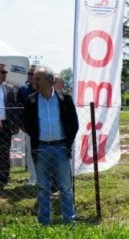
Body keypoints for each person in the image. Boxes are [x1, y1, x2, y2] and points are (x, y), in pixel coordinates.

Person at [23, 66, 79, 225]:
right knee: (43, 188)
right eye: (34, 78)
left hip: (61, 148)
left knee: (66, 187)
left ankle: (69, 221)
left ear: (49, 81)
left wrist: (67, 144)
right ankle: (44, 222)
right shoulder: (31, 100)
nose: (34, 81)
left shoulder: (65, 99)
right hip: (41, 149)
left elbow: (74, 124)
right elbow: (28, 125)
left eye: (38, 78)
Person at [16, 65, 37, 186]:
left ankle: (43, 177)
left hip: (43, 126)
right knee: (30, 152)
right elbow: (18, 108)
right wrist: (20, 124)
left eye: (32, 74)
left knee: (43, 152)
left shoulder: (43, 88)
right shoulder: (23, 89)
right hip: (29, 126)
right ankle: (33, 177)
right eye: (28, 74)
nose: (29, 76)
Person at [0, 63, 19, 189]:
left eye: (5, 72)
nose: (5, 74)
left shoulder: (9, 88)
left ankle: (4, 179)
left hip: (6, 125)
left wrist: (15, 124)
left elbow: (13, 108)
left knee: (4, 152)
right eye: (3, 72)